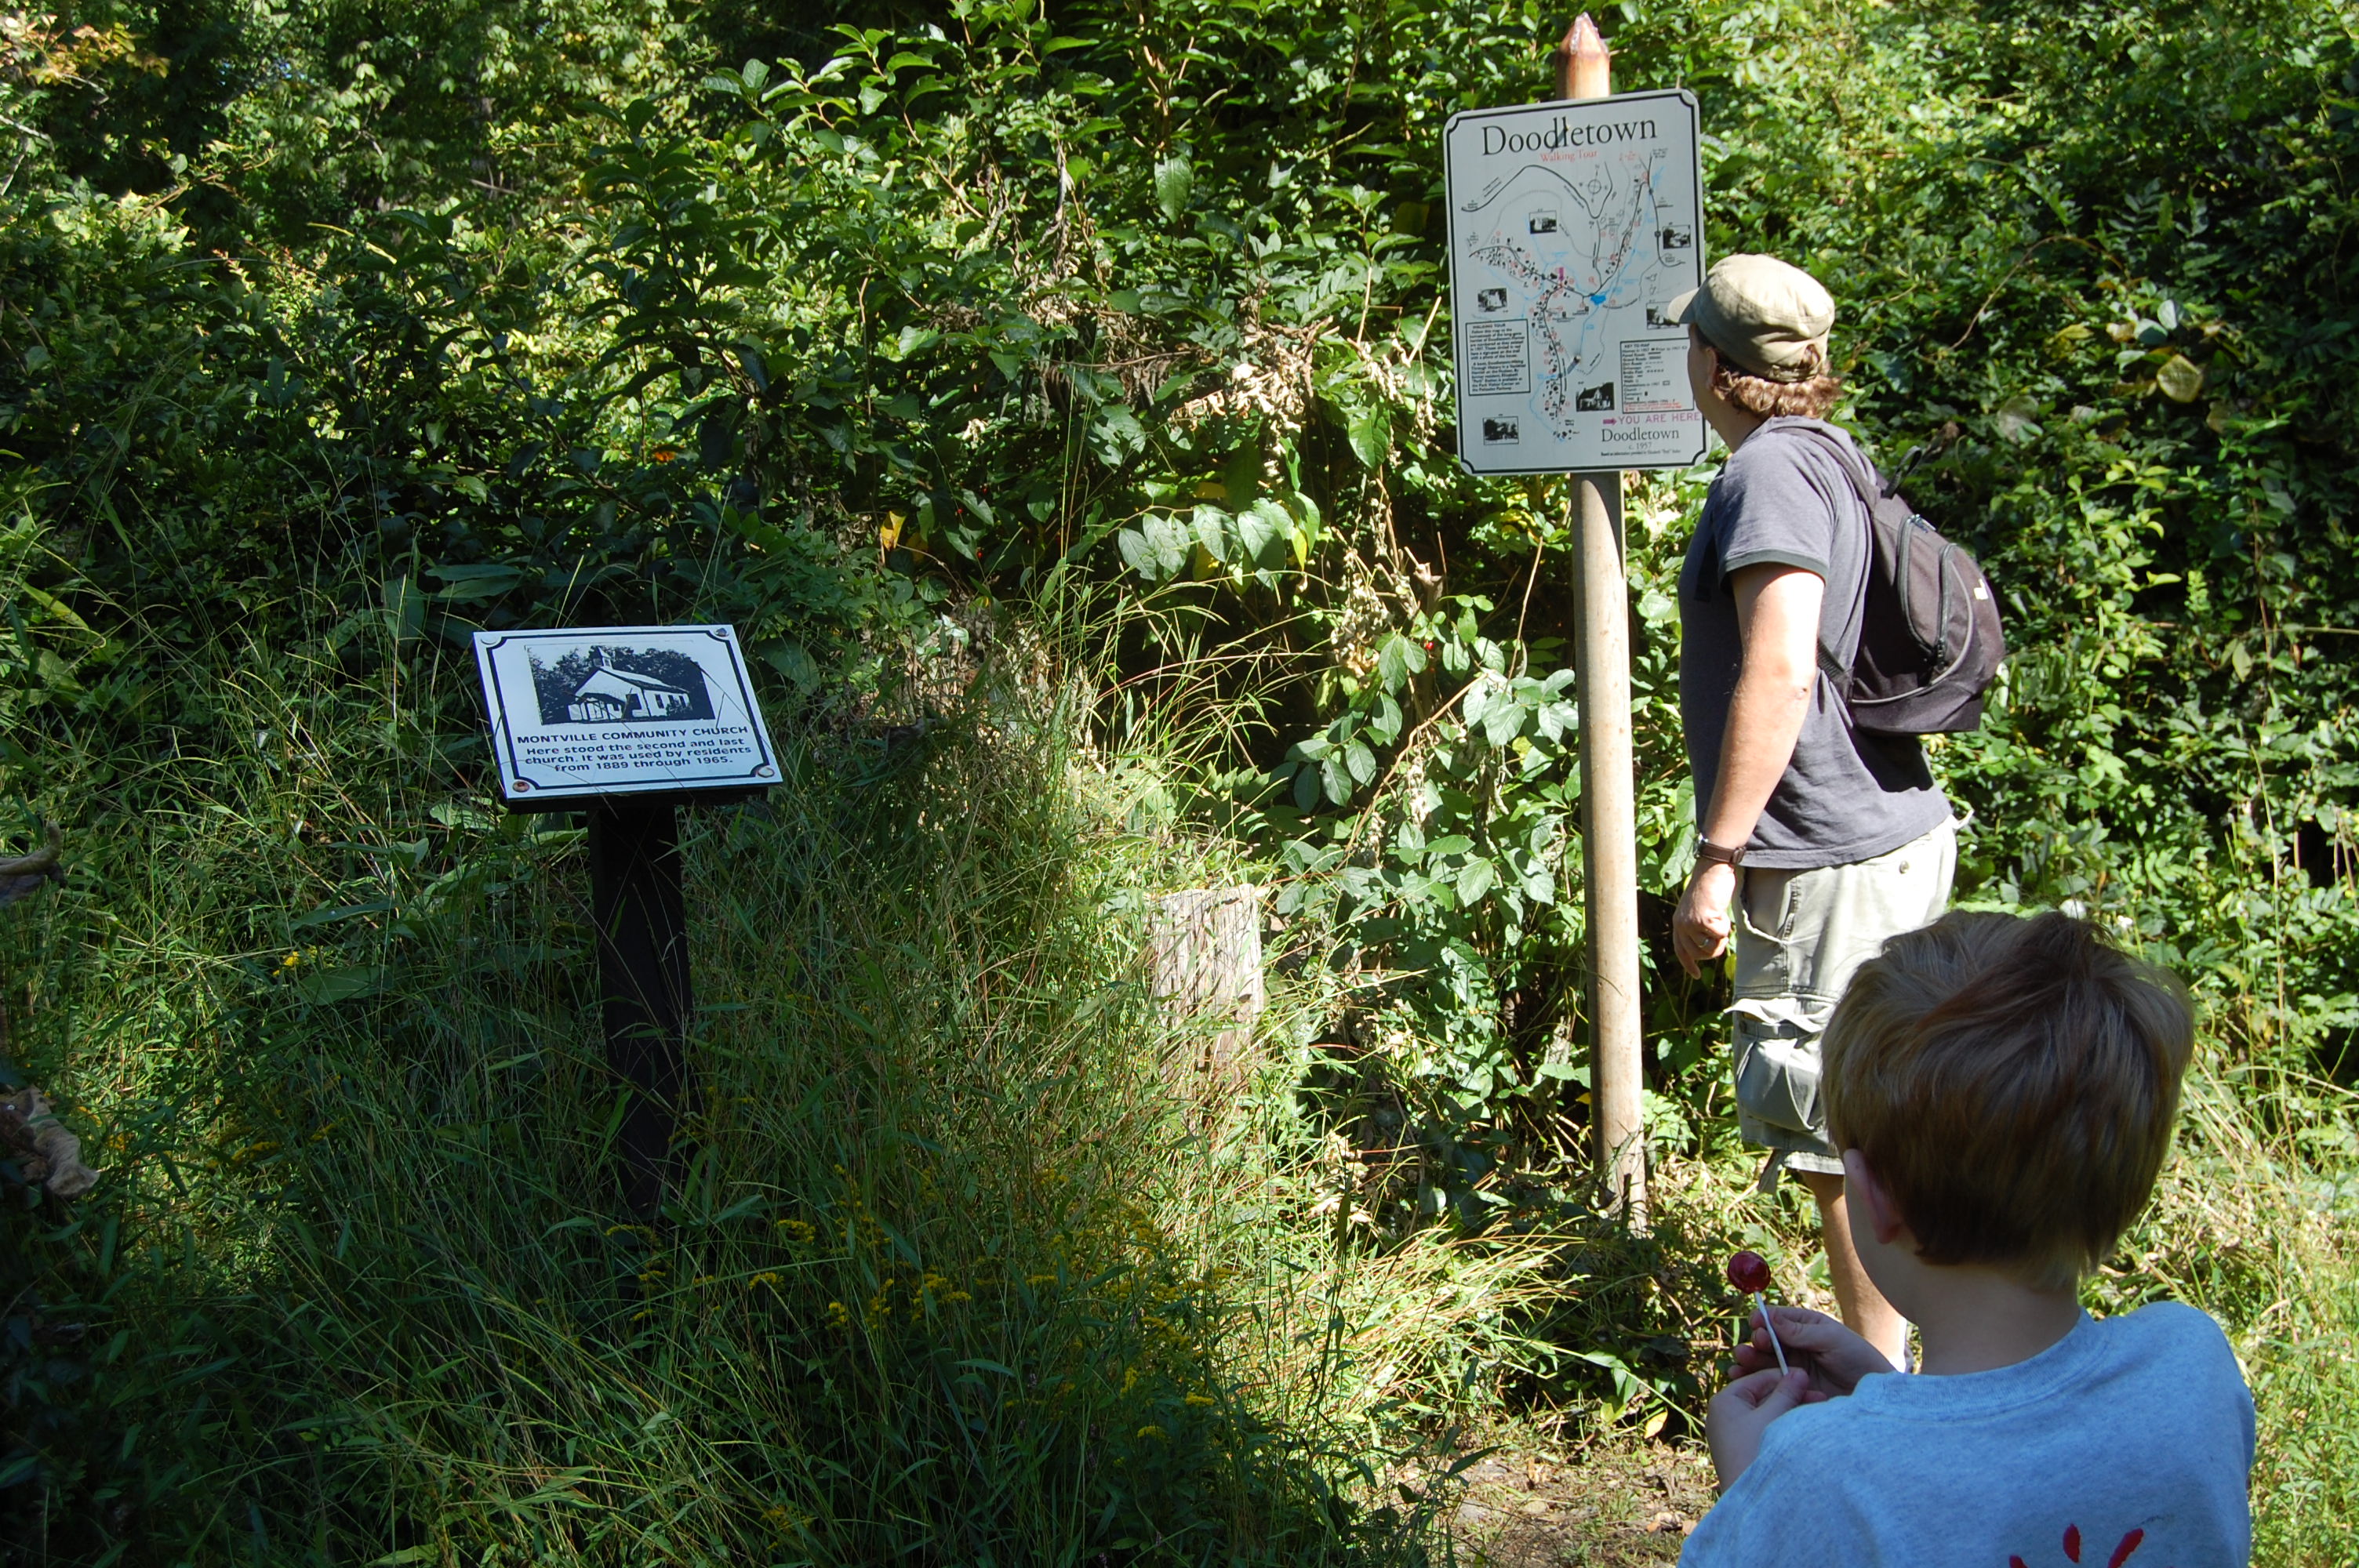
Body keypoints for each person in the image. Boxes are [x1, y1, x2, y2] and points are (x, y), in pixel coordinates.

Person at [1685, 910, 2254, 1565]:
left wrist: (1755, 1498)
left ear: (1872, 1194)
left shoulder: (1815, 1479)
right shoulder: (2189, 1369)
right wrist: (1891, 1399)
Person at [1666, 253, 1954, 1367]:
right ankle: (1927, 1382)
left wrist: (1719, 856)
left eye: (1693, 339)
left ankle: (1884, 1404)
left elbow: (1782, 667)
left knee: (1843, 1147)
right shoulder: (1832, 453)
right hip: (1885, 829)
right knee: (1885, 1132)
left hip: (1827, 857)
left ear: (1718, 365)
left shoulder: (1770, 475)